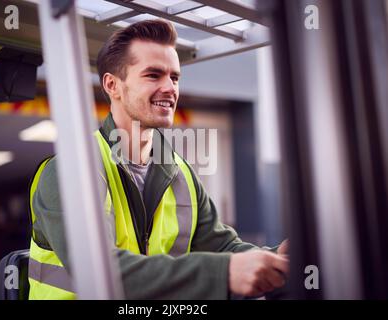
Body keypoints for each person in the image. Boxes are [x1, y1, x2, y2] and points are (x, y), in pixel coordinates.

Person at [27, 19, 289, 300]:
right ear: (112, 85)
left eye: (174, 77)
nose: (170, 88)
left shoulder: (180, 173)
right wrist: (221, 273)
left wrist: (277, 259)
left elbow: (223, 247)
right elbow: (100, 270)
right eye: (153, 75)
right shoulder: (70, 172)